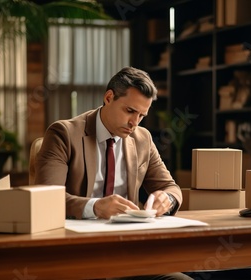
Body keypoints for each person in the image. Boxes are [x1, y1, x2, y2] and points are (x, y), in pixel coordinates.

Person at [34, 67, 191, 280]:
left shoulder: (142, 139)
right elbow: (46, 198)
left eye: (141, 115)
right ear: (109, 98)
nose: (134, 123)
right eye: (129, 111)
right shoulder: (63, 134)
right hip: (77, 256)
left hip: (129, 255)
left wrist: (168, 199)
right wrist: (95, 207)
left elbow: (170, 187)